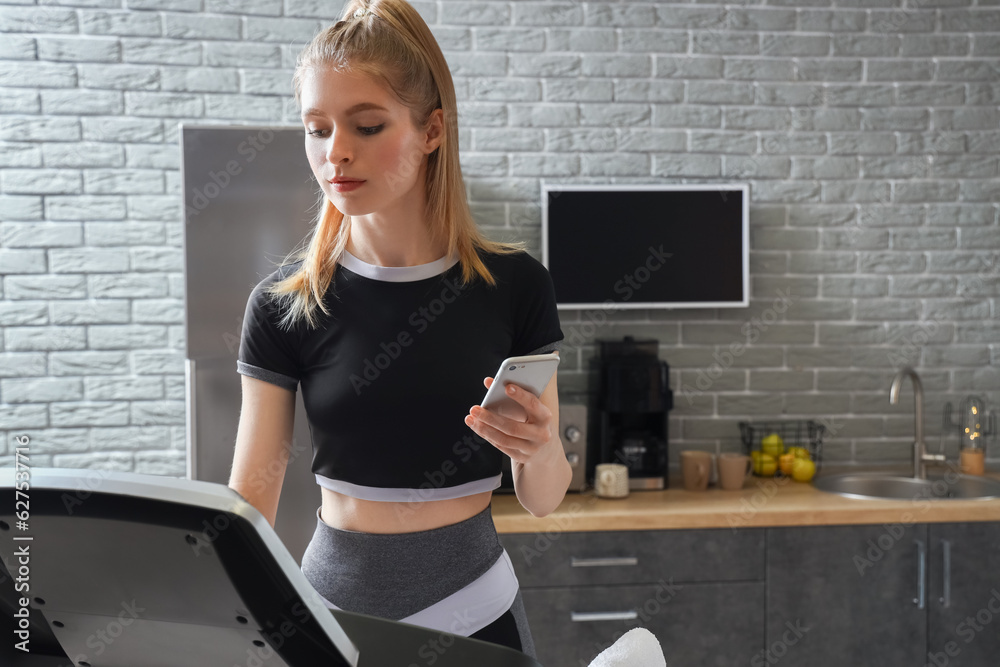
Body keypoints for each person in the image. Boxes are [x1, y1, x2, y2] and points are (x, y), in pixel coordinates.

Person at [228, 0, 571, 657]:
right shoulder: (282, 305)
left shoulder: (517, 286)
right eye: (317, 128)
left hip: (480, 613)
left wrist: (538, 449)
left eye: (366, 125)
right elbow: (251, 501)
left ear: (432, 130)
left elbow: (544, 497)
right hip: (330, 615)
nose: (336, 154)